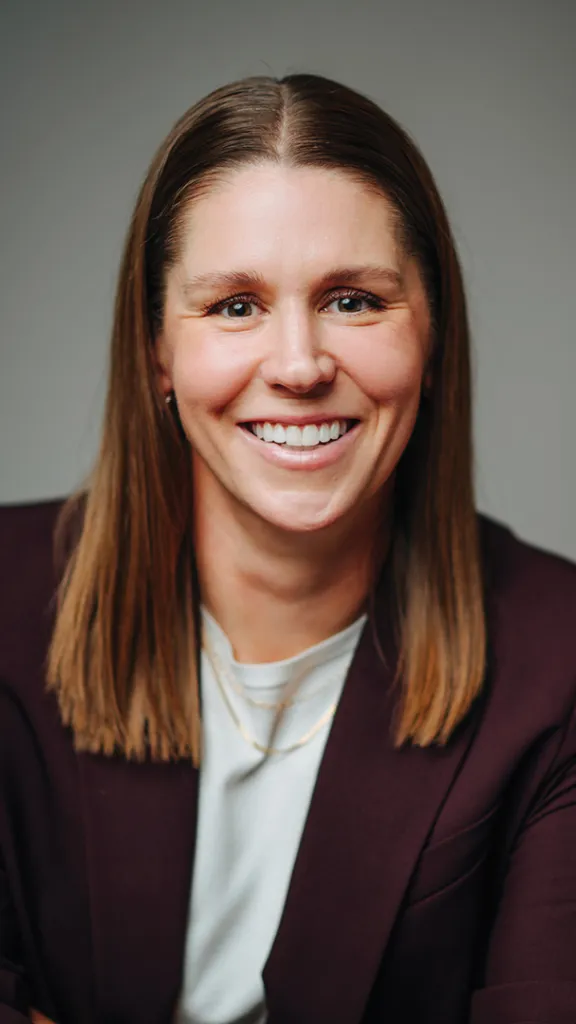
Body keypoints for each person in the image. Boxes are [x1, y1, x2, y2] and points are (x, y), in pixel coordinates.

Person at [1, 72, 575, 1024]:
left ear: (432, 338)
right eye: (234, 306)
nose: (300, 365)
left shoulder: (560, 667)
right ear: (158, 354)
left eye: (353, 301)